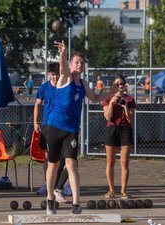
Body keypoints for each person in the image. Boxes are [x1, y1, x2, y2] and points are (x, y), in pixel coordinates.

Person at [45, 41, 118, 215]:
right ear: (71, 65)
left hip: (71, 130)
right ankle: (49, 200)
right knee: (53, 166)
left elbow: (95, 98)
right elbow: (62, 65)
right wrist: (63, 53)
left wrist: (112, 91)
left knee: (71, 164)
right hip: (54, 127)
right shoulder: (65, 77)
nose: (79, 64)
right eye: (76, 62)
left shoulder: (84, 84)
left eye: (82, 63)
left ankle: (76, 204)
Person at [33, 62, 69, 203]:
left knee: (65, 158)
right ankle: (47, 184)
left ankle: (61, 186)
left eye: (56, 75)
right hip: (47, 125)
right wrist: (36, 122)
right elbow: (37, 104)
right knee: (48, 157)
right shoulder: (44, 87)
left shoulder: (64, 87)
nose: (54, 77)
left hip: (62, 125)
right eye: (52, 75)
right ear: (49, 74)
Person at [101, 75, 136, 200]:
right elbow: (107, 117)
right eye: (117, 84)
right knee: (110, 162)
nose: (119, 86)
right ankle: (111, 190)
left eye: (121, 84)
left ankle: (123, 191)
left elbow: (130, 119)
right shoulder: (107, 98)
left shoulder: (130, 99)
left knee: (124, 163)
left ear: (124, 85)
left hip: (125, 130)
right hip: (112, 129)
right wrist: (111, 103)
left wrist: (125, 106)